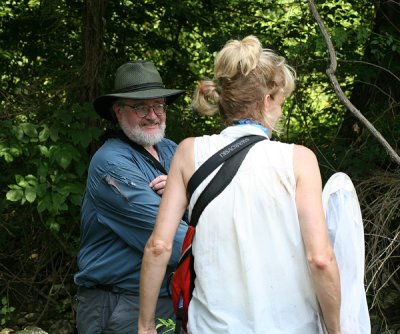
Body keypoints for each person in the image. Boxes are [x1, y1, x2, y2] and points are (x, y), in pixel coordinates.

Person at [138, 36, 342, 334]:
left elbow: (158, 246)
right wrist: (336, 329)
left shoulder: (188, 152)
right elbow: (320, 259)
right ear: (267, 100)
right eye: (281, 102)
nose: (280, 112)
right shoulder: (299, 160)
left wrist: (145, 326)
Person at [74, 60, 188, 334]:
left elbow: (212, 200)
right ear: (117, 111)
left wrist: (186, 194)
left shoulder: (172, 150)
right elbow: (171, 238)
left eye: (159, 105)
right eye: (140, 107)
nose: (152, 115)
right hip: (118, 306)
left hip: (168, 300)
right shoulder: (110, 164)